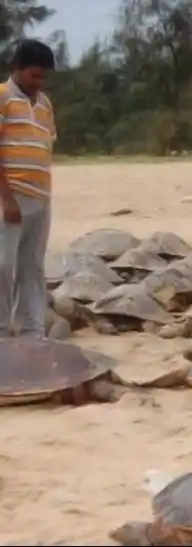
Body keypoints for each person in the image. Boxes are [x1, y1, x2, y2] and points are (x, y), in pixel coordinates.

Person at [0, 39, 56, 338]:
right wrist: (6, 199)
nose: (39, 82)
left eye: (43, 77)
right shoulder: (2, 96)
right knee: (3, 265)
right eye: (34, 75)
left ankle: (32, 331)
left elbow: (45, 146)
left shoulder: (45, 104)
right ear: (18, 69)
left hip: (41, 197)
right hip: (11, 195)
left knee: (32, 266)